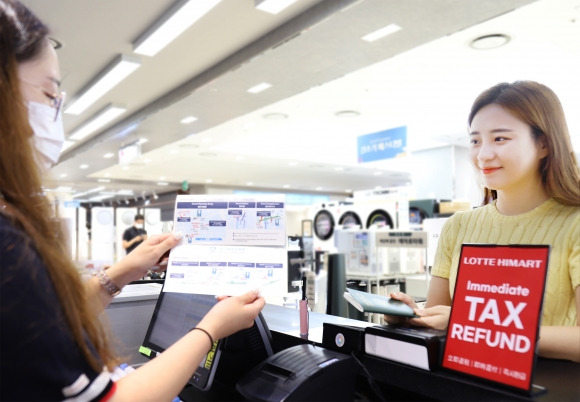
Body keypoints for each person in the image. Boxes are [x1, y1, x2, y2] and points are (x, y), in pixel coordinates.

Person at [0, 1, 265, 400]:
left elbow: (38, 332)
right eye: (50, 92)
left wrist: (119, 274)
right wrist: (211, 330)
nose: (55, 114)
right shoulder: (8, 248)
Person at [385, 80, 580, 363]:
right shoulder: (458, 227)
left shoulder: (574, 224)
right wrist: (409, 315)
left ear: (544, 143)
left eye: (500, 138)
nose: (483, 154)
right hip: (462, 384)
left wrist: (473, 325)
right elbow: (441, 319)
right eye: (475, 140)